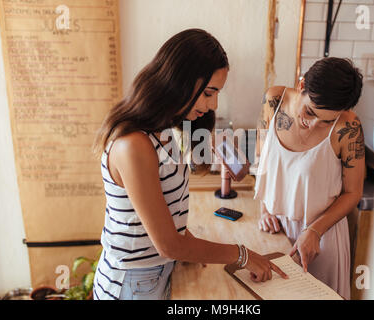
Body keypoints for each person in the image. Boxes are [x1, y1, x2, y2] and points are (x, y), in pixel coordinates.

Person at [91, 28, 287, 300]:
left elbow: (162, 218)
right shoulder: (133, 145)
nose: (213, 103)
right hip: (132, 285)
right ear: (179, 81)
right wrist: (242, 255)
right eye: (209, 92)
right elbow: (168, 245)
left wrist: (190, 245)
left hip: (154, 274)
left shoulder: (165, 130)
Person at [255, 57, 365, 299]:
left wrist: (314, 231)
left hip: (323, 238)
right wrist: (266, 208)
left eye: (326, 121)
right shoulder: (274, 100)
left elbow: (353, 192)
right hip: (275, 231)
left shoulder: (348, 126)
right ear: (301, 84)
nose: (313, 124)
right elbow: (263, 158)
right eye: (310, 112)